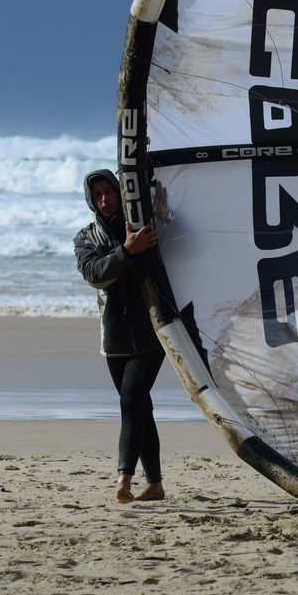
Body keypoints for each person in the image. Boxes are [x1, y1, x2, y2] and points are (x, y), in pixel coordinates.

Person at [74, 168, 165, 503]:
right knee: (140, 406)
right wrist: (127, 251)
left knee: (131, 399)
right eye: (97, 195)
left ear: (118, 191)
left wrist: (160, 217)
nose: (104, 200)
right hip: (115, 337)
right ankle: (155, 485)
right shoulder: (86, 238)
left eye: (108, 192)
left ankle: (124, 477)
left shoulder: (142, 223)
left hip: (154, 329)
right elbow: (95, 274)